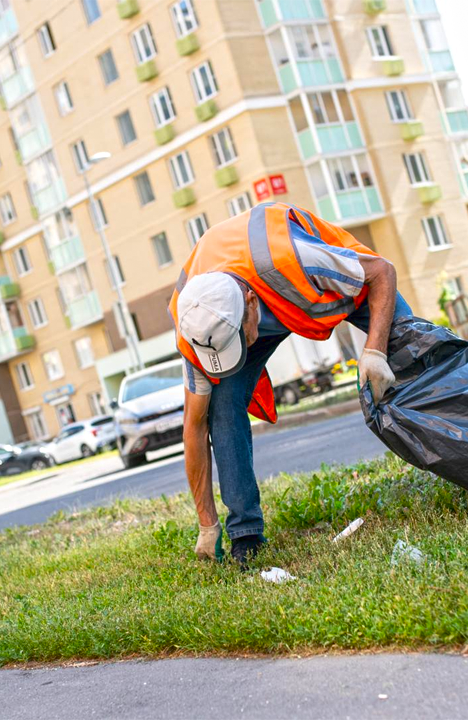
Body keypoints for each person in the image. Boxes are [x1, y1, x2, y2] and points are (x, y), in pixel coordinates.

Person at [170, 202, 410, 566]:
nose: (238, 352)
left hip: (298, 286)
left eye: (238, 340)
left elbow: (381, 272)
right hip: (240, 309)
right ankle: (245, 534)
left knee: (409, 345)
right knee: (221, 407)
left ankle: (461, 434)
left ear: (251, 304)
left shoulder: (292, 260)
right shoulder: (196, 326)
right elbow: (194, 426)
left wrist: (374, 351)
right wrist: (206, 523)